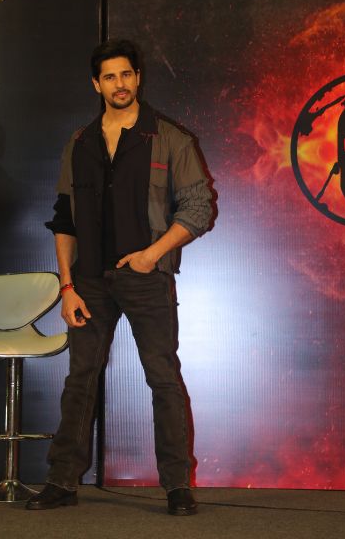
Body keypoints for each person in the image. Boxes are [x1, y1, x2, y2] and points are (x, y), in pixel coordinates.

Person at [28, 39, 215, 515]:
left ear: (138, 77)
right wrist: (66, 286)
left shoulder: (170, 138)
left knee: (163, 379)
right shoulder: (80, 143)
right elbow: (64, 219)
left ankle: (177, 487)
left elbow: (199, 208)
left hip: (146, 278)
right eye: (110, 77)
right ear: (97, 84)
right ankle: (62, 481)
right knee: (80, 380)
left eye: (126, 74)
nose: (120, 84)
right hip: (89, 281)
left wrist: (151, 255)